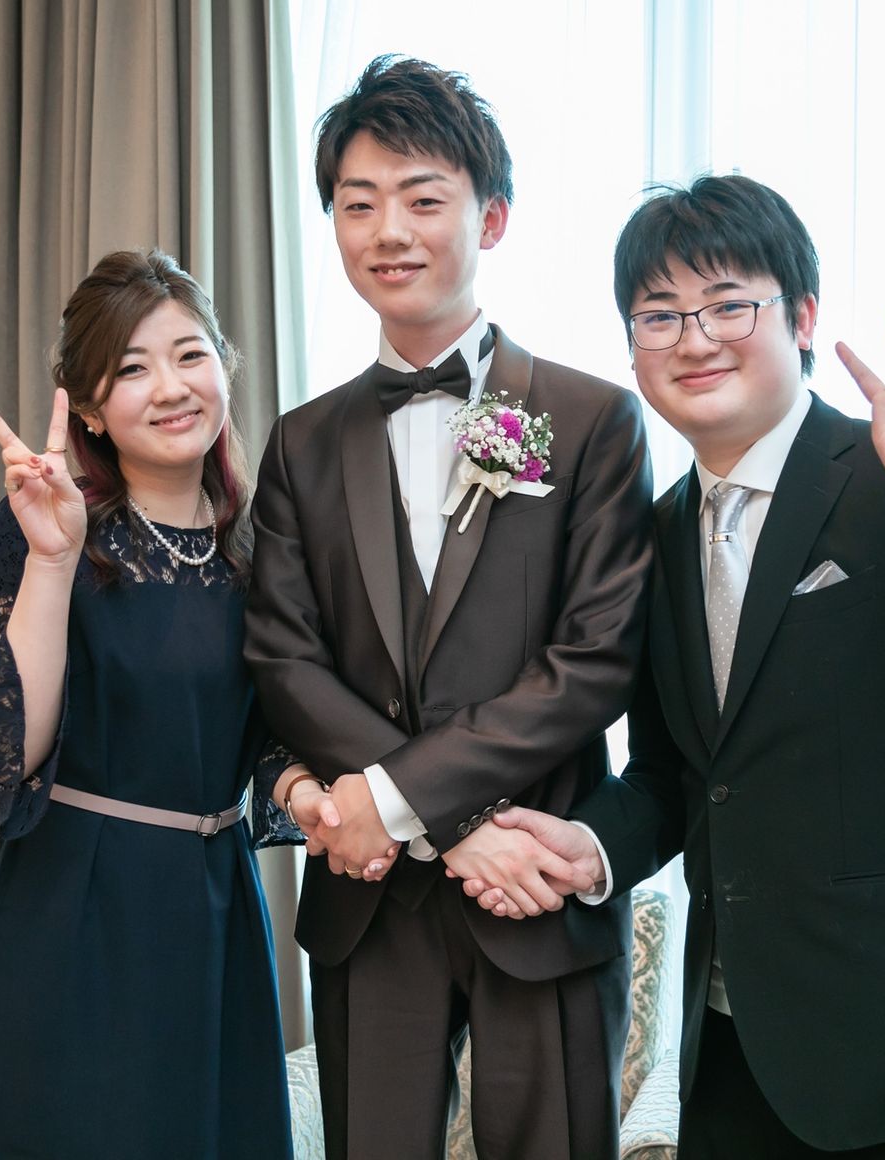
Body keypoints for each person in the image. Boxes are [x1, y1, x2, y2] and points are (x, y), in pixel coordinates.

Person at [467, 175, 885, 1158]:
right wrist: (590, 847)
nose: (693, 339)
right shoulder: (651, 537)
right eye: (659, 315)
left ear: (802, 315)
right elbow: (676, 777)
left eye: (728, 304)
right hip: (736, 1065)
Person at [243, 55, 654, 1160]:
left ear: (493, 216)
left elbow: (594, 660)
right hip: (371, 897)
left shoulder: (592, 419)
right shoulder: (300, 441)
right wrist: (448, 827)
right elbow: (284, 659)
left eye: (423, 199)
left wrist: (402, 798)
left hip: (535, 886)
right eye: (358, 204)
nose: (389, 231)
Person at [0, 249, 301, 1160]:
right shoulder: (50, 524)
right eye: (133, 369)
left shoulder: (259, 541)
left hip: (219, 894)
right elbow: (17, 746)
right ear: (90, 408)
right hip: (83, 899)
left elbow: (277, 729)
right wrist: (52, 559)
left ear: (225, 365)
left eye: (190, 355)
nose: (172, 387)